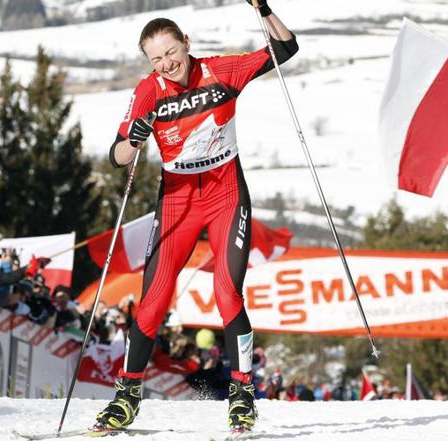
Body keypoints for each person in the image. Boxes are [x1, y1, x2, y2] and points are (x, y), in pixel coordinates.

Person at [94, 0, 298, 432]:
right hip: (177, 202)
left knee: (227, 293)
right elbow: (116, 156)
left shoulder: (222, 71)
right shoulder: (149, 91)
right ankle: (127, 396)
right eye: (156, 59)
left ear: (187, 43)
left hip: (226, 195)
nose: (167, 64)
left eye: (171, 52)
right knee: (152, 302)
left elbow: (285, 49)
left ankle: (242, 394)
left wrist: (262, 8)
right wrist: (134, 138)